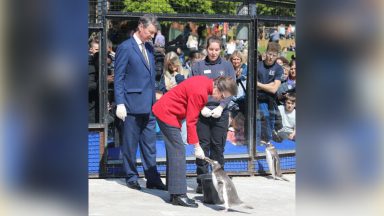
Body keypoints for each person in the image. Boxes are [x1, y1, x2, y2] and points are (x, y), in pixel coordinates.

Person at [152, 76, 237, 208]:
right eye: (222, 96)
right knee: (178, 151)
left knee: (174, 151)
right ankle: (179, 195)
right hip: (166, 113)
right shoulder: (201, 92)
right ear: (218, 88)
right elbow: (191, 123)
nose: (221, 99)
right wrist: (197, 147)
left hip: (168, 112)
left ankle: (173, 190)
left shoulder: (204, 82)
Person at [114, 14, 165, 191]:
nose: (152, 35)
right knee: (130, 144)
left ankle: (152, 178)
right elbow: (119, 77)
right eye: (150, 32)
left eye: (154, 33)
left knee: (150, 146)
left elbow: (151, 77)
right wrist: (120, 103)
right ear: (141, 27)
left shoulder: (149, 48)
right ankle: (131, 176)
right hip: (131, 105)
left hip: (149, 106)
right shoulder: (125, 47)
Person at [191, 36, 236, 194]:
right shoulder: (198, 66)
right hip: (202, 112)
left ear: (221, 50)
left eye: (217, 49)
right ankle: (202, 181)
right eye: (211, 49)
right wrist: (201, 105)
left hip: (220, 112)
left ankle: (219, 180)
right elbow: (193, 88)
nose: (213, 52)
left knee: (218, 147)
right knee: (203, 147)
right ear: (206, 49)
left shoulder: (227, 65)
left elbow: (231, 89)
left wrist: (222, 107)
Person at [256, 42, 284, 145]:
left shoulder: (278, 68)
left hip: (271, 100)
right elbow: (253, 86)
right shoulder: (257, 65)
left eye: (274, 55)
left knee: (269, 120)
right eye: (269, 54)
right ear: (265, 53)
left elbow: (274, 89)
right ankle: (257, 142)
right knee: (259, 120)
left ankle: (267, 140)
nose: (271, 57)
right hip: (257, 98)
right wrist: (270, 84)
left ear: (277, 56)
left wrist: (259, 84)